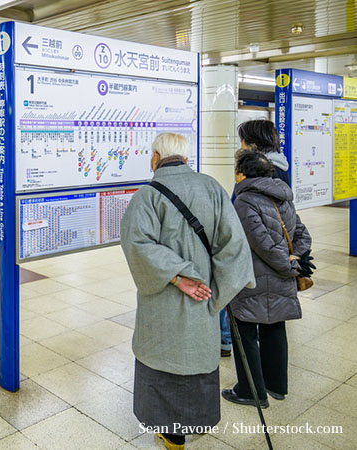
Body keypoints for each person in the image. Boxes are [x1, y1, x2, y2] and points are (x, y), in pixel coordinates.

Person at [120, 133, 255, 450]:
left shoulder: (147, 196)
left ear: (155, 158)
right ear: (186, 158)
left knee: (162, 359)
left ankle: (170, 435)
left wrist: (178, 278)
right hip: (204, 300)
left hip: (162, 301)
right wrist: (216, 293)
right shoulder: (212, 188)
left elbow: (137, 245)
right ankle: (195, 422)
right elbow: (235, 247)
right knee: (195, 361)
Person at [222, 149, 312, 408]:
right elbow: (303, 235)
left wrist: (286, 265)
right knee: (274, 327)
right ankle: (276, 385)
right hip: (281, 278)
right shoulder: (282, 196)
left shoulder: (244, 200)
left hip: (255, 278)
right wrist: (296, 261)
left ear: (242, 173)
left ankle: (251, 392)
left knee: (246, 330)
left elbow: (261, 244)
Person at [222, 119, 290, 356]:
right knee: (270, 313)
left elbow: (238, 209)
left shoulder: (254, 171)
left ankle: (228, 341)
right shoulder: (282, 168)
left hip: (254, 248)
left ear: (252, 144)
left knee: (242, 305)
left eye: (242, 140)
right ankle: (274, 381)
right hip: (275, 244)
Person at [237, 119, 290, 185]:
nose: (241, 146)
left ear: (253, 144)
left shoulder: (257, 170)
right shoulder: (281, 165)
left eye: (242, 140)